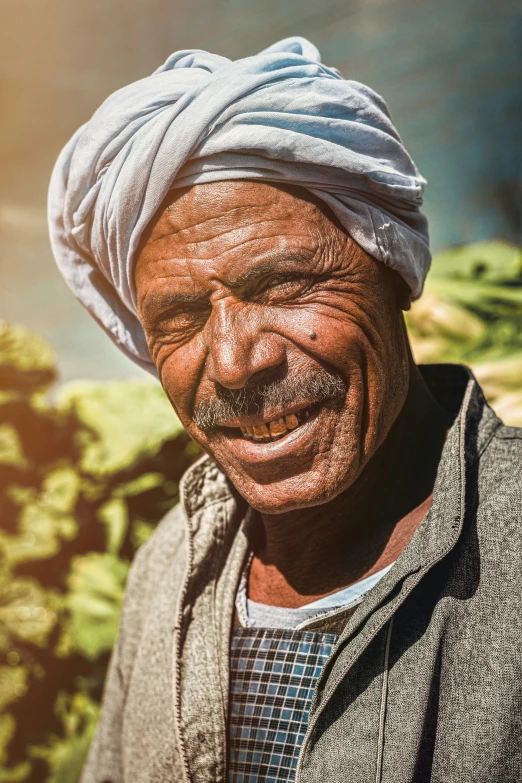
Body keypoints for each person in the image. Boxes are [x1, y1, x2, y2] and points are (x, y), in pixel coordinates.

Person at [48, 37, 522, 783]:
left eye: (283, 285)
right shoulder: (168, 565)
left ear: (392, 266)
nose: (234, 362)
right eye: (177, 318)